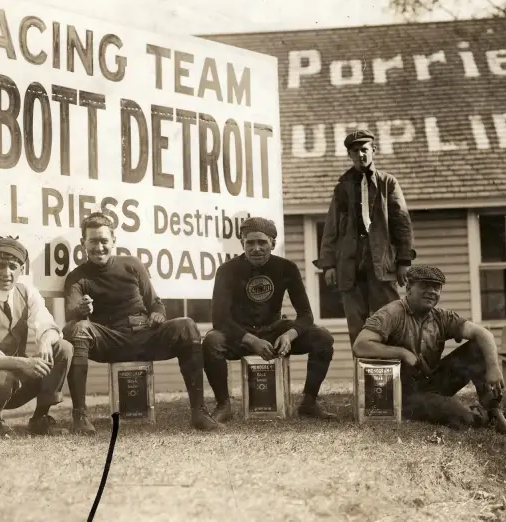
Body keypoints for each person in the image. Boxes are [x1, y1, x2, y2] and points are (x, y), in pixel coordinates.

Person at [62, 212, 219, 433]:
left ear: (114, 241)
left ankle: (199, 412)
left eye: (104, 241)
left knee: (187, 325)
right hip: (110, 341)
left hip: (145, 337)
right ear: (83, 243)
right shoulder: (77, 277)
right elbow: (70, 313)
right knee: (77, 328)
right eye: (93, 241)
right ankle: (80, 415)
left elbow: (156, 303)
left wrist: (158, 315)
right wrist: (82, 309)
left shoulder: (132, 265)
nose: (99, 247)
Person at [353, 265, 506, 438]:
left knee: (477, 348)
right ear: (409, 288)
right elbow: (360, 345)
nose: (432, 291)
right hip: (402, 393)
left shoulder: (441, 316)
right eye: (425, 286)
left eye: (436, 287)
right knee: (459, 415)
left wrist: (493, 367)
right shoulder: (391, 313)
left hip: (431, 382)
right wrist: (403, 353)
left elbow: (483, 333)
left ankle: (494, 411)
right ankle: (481, 416)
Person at [203, 216, 337, 422]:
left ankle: (309, 402)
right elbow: (219, 319)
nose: (256, 248)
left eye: (262, 242)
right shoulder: (227, 270)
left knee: (323, 337)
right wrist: (250, 339)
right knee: (212, 341)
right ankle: (224, 405)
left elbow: (306, 315)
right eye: (250, 242)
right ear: (242, 244)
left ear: (273, 244)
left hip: (274, 331)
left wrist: (289, 335)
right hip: (239, 335)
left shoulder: (287, 268)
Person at [0, 236, 74, 438]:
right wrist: (24, 363)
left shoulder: (27, 293)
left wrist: (46, 339)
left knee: (63, 347)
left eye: (13, 266)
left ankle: (40, 419)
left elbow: (47, 323)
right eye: (0, 265)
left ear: (21, 269)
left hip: (17, 378)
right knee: (3, 377)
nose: (6, 273)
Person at [313, 129, 416, 352]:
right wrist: (328, 264)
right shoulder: (342, 187)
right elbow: (331, 228)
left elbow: (402, 224)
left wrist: (404, 261)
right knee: (357, 326)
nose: (360, 154)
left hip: (380, 265)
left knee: (389, 319)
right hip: (350, 266)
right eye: (355, 151)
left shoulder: (388, 183)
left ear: (373, 151)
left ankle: (395, 376)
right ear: (349, 154)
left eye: (364, 149)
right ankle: (363, 378)